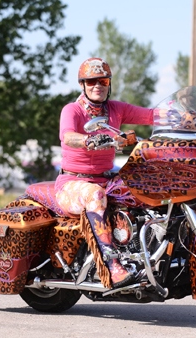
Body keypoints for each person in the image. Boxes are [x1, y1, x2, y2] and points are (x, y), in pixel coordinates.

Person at [54, 57, 153, 289]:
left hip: (106, 178)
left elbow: (150, 115)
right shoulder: (73, 110)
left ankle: (144, 252)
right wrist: (90, 140)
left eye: (102, 80)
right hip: (72, 182)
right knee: (95, 195)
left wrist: (187, 116)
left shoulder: (116, 109)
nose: (97, 85)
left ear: (109, 83)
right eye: (91, 81)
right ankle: (112, 265)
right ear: (82, 85)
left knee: (146, 185)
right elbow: (67, 136)